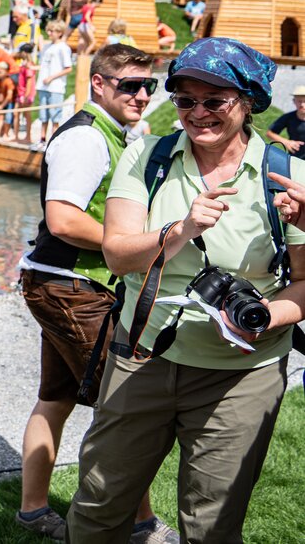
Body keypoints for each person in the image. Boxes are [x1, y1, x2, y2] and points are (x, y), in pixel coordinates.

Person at [68, 38, 305, 542]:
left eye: (214, 100)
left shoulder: (287, 175)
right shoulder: (148, 156)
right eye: (185, 100)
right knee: (98, 505)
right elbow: (117, 254)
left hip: (242, 377)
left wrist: (263, 316)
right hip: (142, 357)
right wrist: (181, 229)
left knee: (211, 525)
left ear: (248, 102)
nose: (198, 113)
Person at [14, 44, 166, 542]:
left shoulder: (110, 133)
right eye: (130, 85)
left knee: (55, 398)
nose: (141, 95)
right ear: (98, 83)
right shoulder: (86, 138)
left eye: (148, 86)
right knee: (123, 407)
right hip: (72, 288)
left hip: (62, 284)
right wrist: (130, 244)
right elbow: (63, 219)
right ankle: (139, 525)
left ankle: (33, 512)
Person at [36, 20, 73, 142]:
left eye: (52, 31)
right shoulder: (47, 47)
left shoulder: (63, 48)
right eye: (48, 30)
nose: (49, 33)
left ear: (60, 32)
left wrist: (51, 77)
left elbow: (68, 68)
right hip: (43, 86)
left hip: (55, 87)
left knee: (55, 116)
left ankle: (53, 141)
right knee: (43, 115)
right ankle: (42, 139)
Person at [266, 85, 305, 154]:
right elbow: (270, 133)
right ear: (294, 101)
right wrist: (286, 142)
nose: (302, 104)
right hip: (295, 158)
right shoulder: (289, 117)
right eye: (299, 101)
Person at [15, 43, 38, 145]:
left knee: (26, 114)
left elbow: (29, 82)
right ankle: (16, 136)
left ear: (24, 52)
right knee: (16, 113)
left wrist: (26, 96)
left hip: (25, 94)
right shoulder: (24, 64)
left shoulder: (29, 65)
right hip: (20, 92)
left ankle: (28, 136)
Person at [0, 62, 16, 140]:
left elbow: (9, 96)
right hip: (2, 101)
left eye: (0, 72)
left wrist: (2, 105)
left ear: (6, 71)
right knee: (0, 117)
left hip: (9, 102)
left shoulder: (9, 81)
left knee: (8, 118)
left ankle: (6, 134)